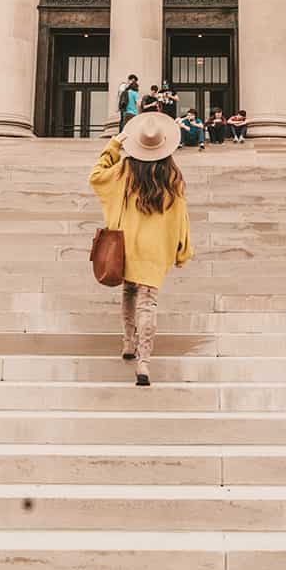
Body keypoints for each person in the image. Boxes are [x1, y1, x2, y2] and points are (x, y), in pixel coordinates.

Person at [89, 112, 193, 386]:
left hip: (128, 242)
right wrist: (182, 248)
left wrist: (114, 144)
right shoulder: (173, 176)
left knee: (129, 290)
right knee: (148, 301)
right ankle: (143, 362)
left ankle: (127, 341)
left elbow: (96, 176)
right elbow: (182, 216)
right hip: (157, 247)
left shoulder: (125, 169)